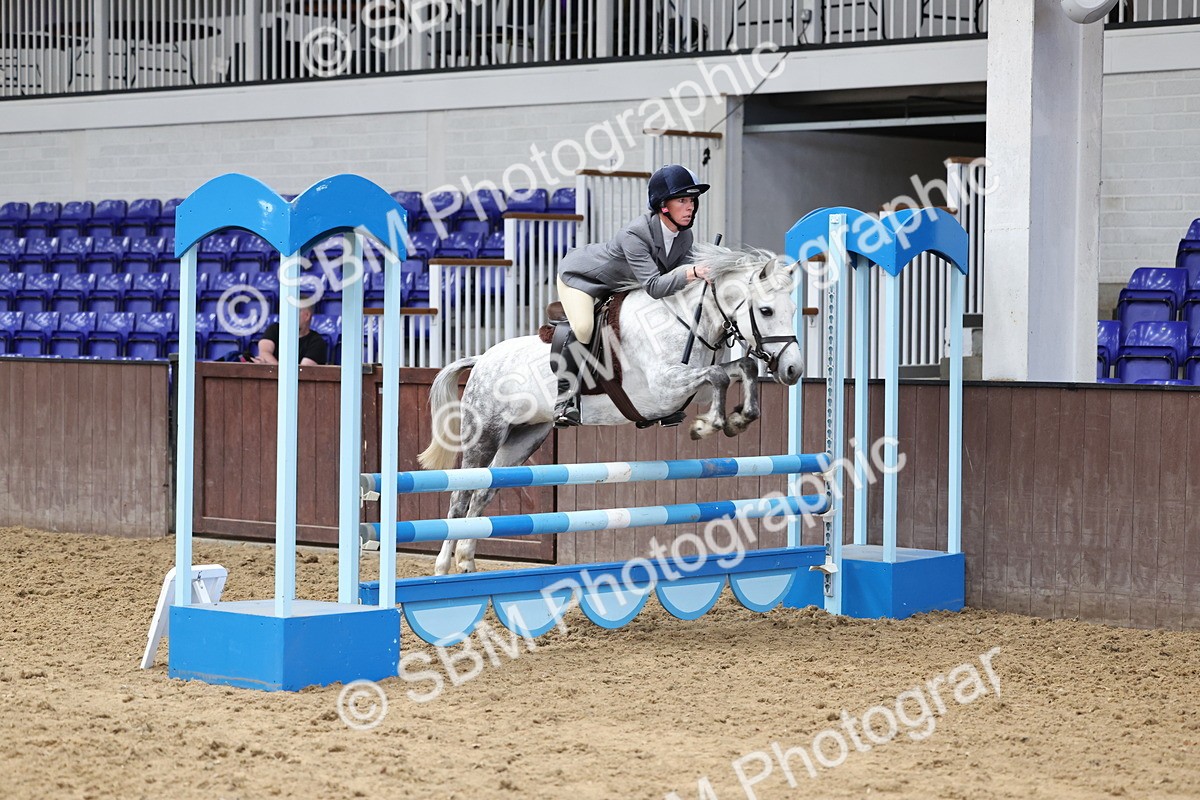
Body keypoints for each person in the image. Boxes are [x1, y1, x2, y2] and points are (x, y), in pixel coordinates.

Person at [552, 164, 713, 427]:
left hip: (621, 284)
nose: (690, 206)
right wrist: (692, 272)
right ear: (663, 206)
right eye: (682, 200)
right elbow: (655, 286)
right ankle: (565, 399)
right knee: (583, 327)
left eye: (692, 200)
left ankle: (654, 399)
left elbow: (682, 279)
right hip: (581, 279)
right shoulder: (635, 234)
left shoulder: (684, 236)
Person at [251, 305, 328, 366]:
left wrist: (270, 366)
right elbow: (264, 353)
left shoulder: (317, 342)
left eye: (293, 311)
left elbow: (303, 372)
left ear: (307, 315)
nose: (288, 315)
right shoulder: (274, 329)